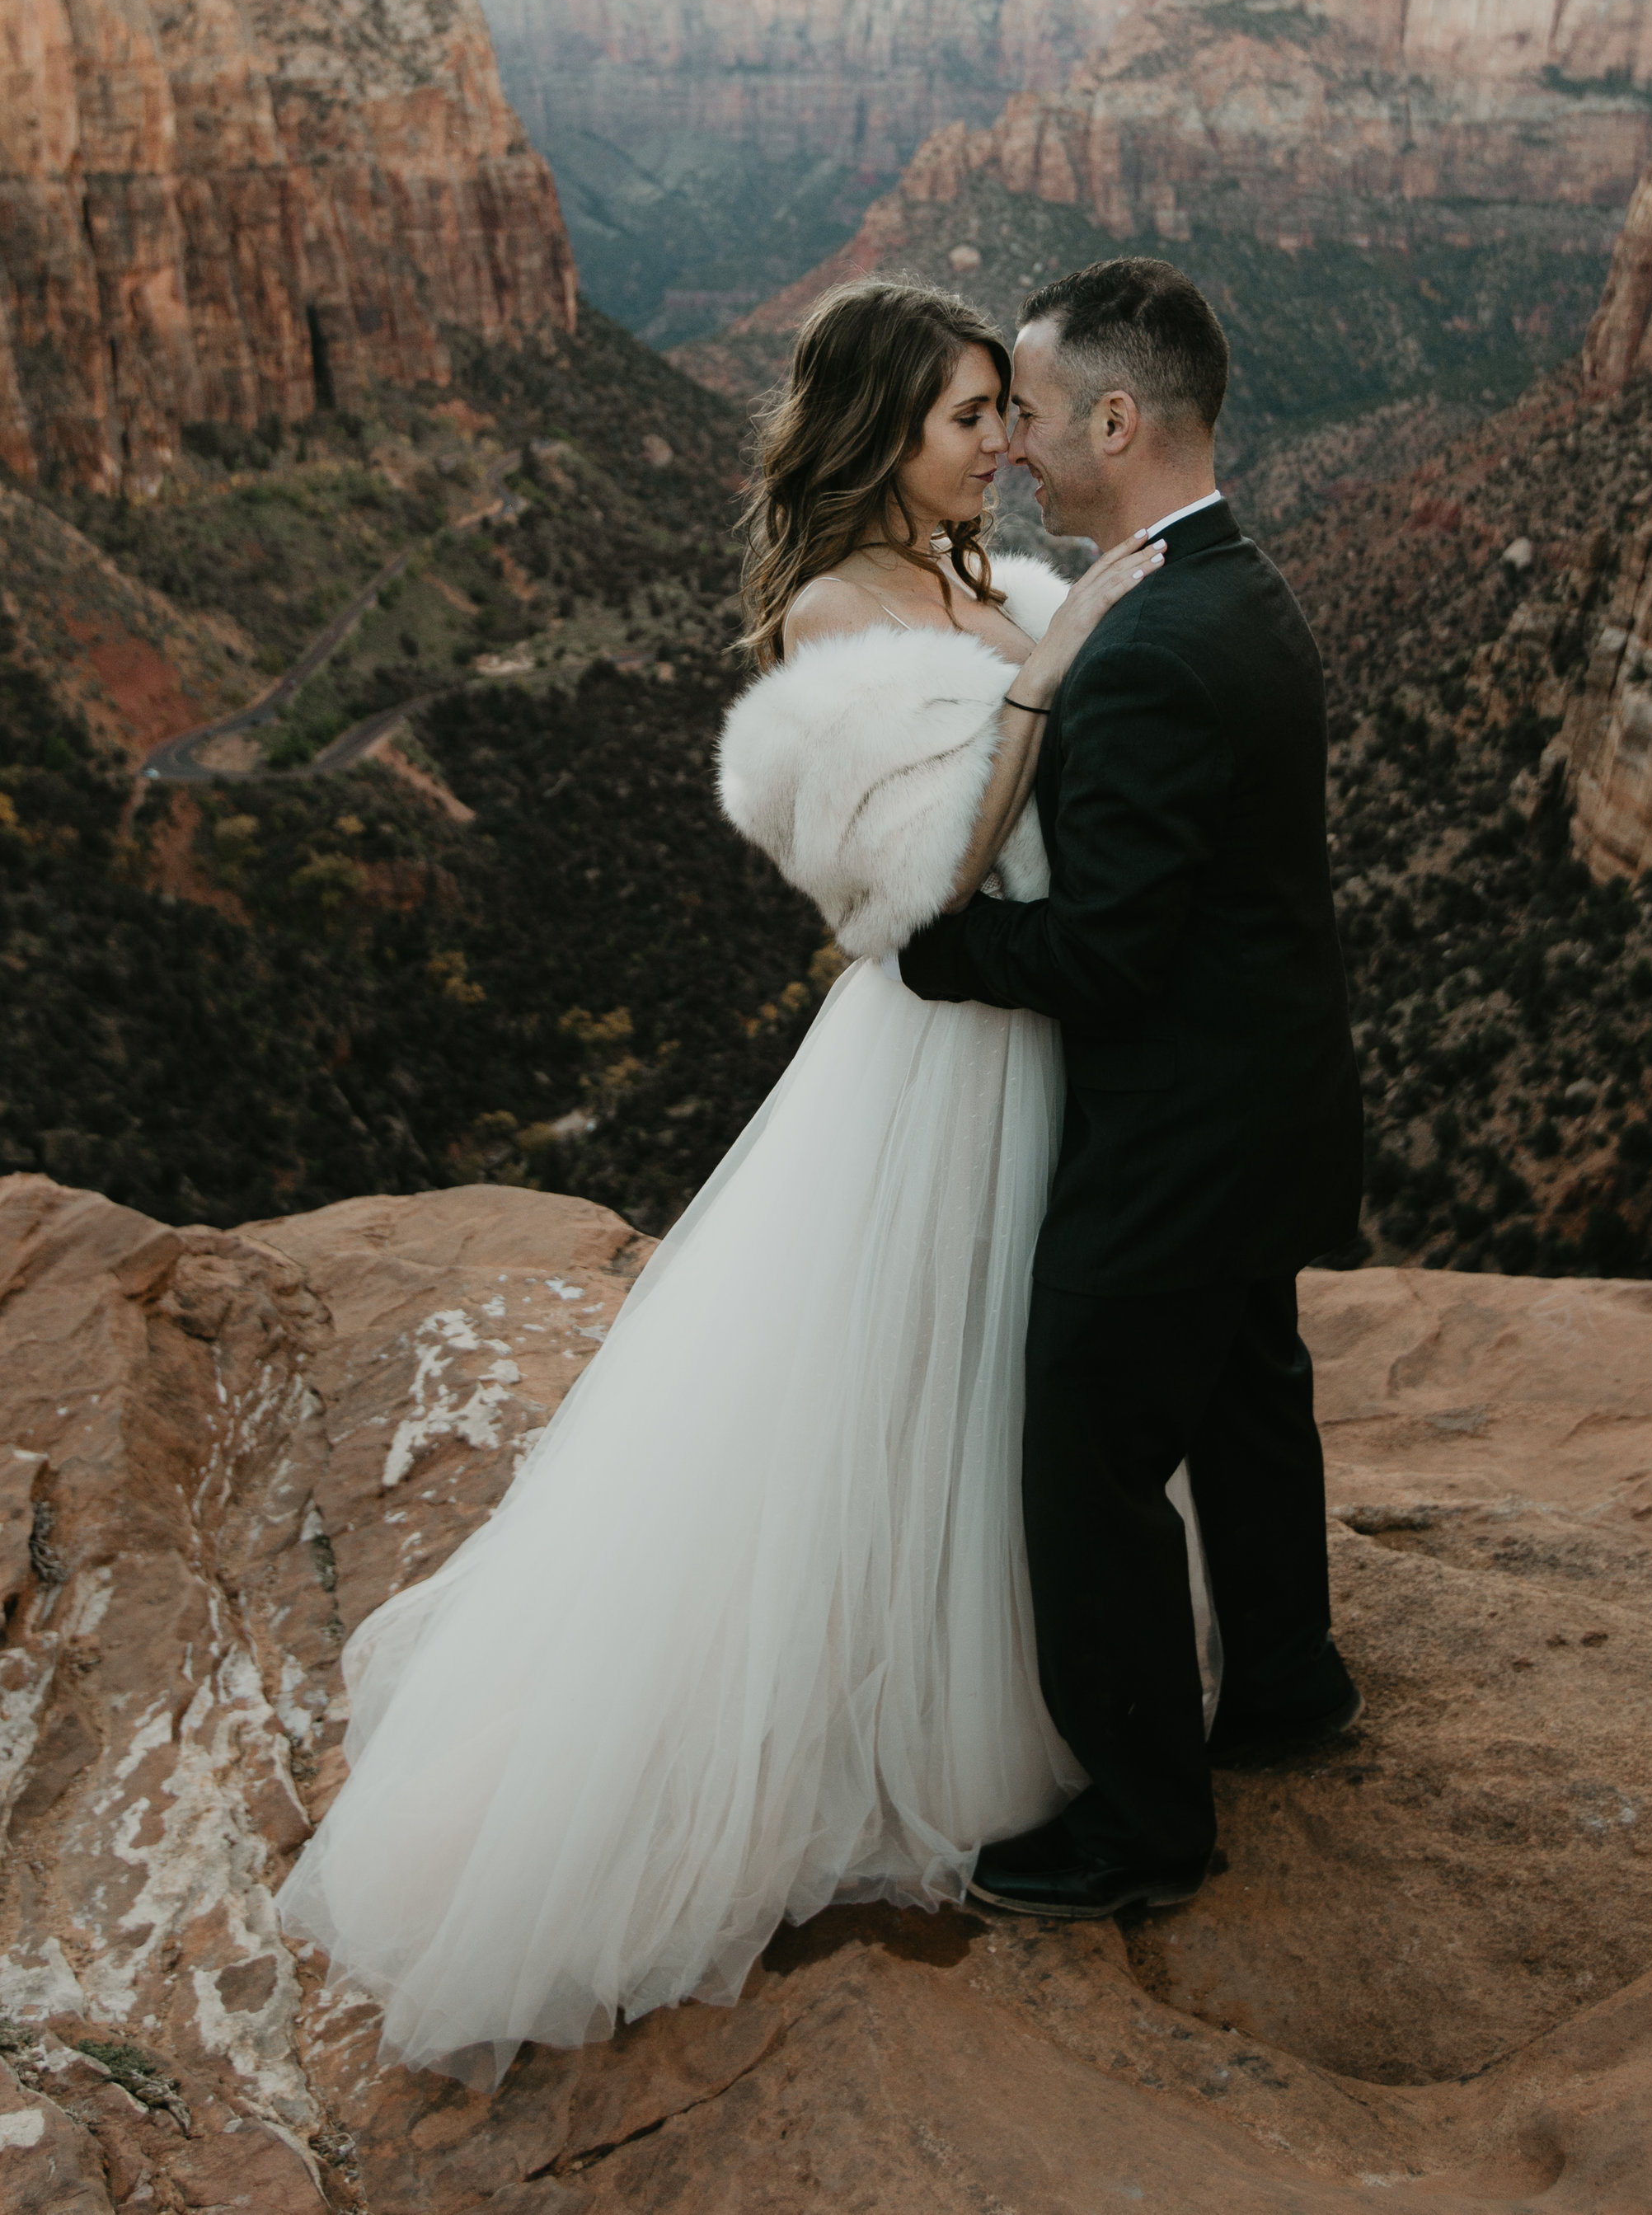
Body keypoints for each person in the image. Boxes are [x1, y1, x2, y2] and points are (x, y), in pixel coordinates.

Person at [276, 276, 1163, 2077]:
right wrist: (1055, 679)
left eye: (1007, 412)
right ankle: (867, 1709)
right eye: (965, 421)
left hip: (1053, 1030)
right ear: (874, 436)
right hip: (944, 1048)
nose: (1002, 446)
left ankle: (1031, 1646)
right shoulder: (836, 606)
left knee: (1020, 1368)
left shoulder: (975, 578)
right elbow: (903, 878)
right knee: (908, 1365)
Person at [900, 256, 1363, 1922]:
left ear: (1114, 415)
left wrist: (927, 949)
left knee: (1083, 1460)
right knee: (1245, 1397)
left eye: (1024, 409)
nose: (1011, 443)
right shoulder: (1219, 585)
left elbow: (1102, 963)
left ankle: (1142, 1827)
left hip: (1173, 1135)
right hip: (1267, 1106)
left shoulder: (1156, 647)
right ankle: (1288, 1683)